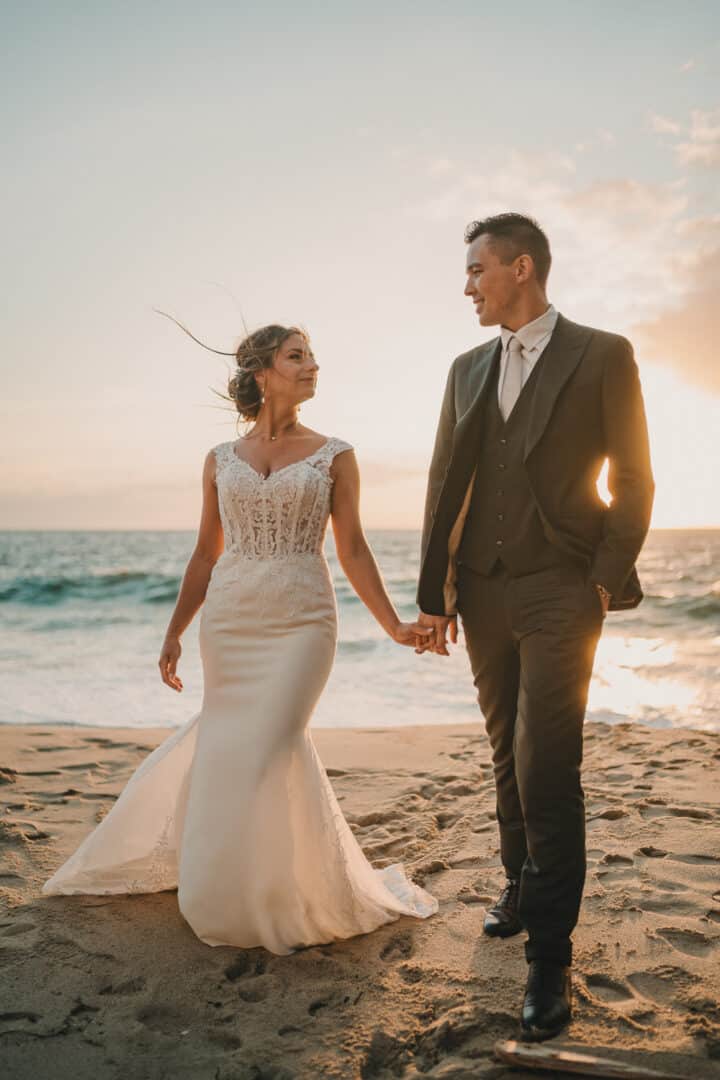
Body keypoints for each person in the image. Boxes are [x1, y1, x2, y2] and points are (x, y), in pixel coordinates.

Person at [42, 322, 438, 954]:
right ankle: (230, 890)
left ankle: (284, 892)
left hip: (304, 620)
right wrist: (174, 630)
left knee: (272, 745)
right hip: (230, 619)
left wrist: (393, 625)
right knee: (231, 751)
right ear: (262, 372)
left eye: (312, 357)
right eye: (297, 357)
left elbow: (354, 547)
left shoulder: (335, 453)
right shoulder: (219, 460)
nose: (312, 367)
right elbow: (205, 553)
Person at [416, 213, 654, 1040]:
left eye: (478, 270)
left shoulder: (603, 353)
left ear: (522, 268)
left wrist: (601, 578)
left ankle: (549, 956)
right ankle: (518, 887)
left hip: (562, 585)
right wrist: (434, 592)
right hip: (482, 588)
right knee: (502, 752)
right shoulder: (464, 368)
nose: (468, 285)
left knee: (546, 762)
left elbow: (633, 473)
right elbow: (449, 477)